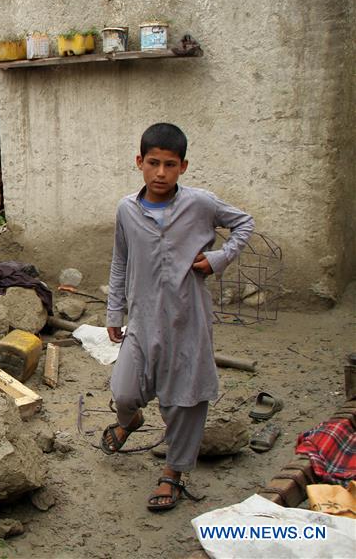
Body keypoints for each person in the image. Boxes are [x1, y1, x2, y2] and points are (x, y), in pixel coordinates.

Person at [101, 123, 254, 512]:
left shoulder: (201, 204)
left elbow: (244, 223)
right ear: (140, 162)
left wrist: (218, 259)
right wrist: (114, 309)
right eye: (153, 163)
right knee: (124, 390)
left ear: (183, 167)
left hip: (188, 319)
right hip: (142, 319)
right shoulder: (127, 209)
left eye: (170, 165)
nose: (161, 173)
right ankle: (129, 420)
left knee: (184, 400)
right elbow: (121, 259)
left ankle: (173, 472)